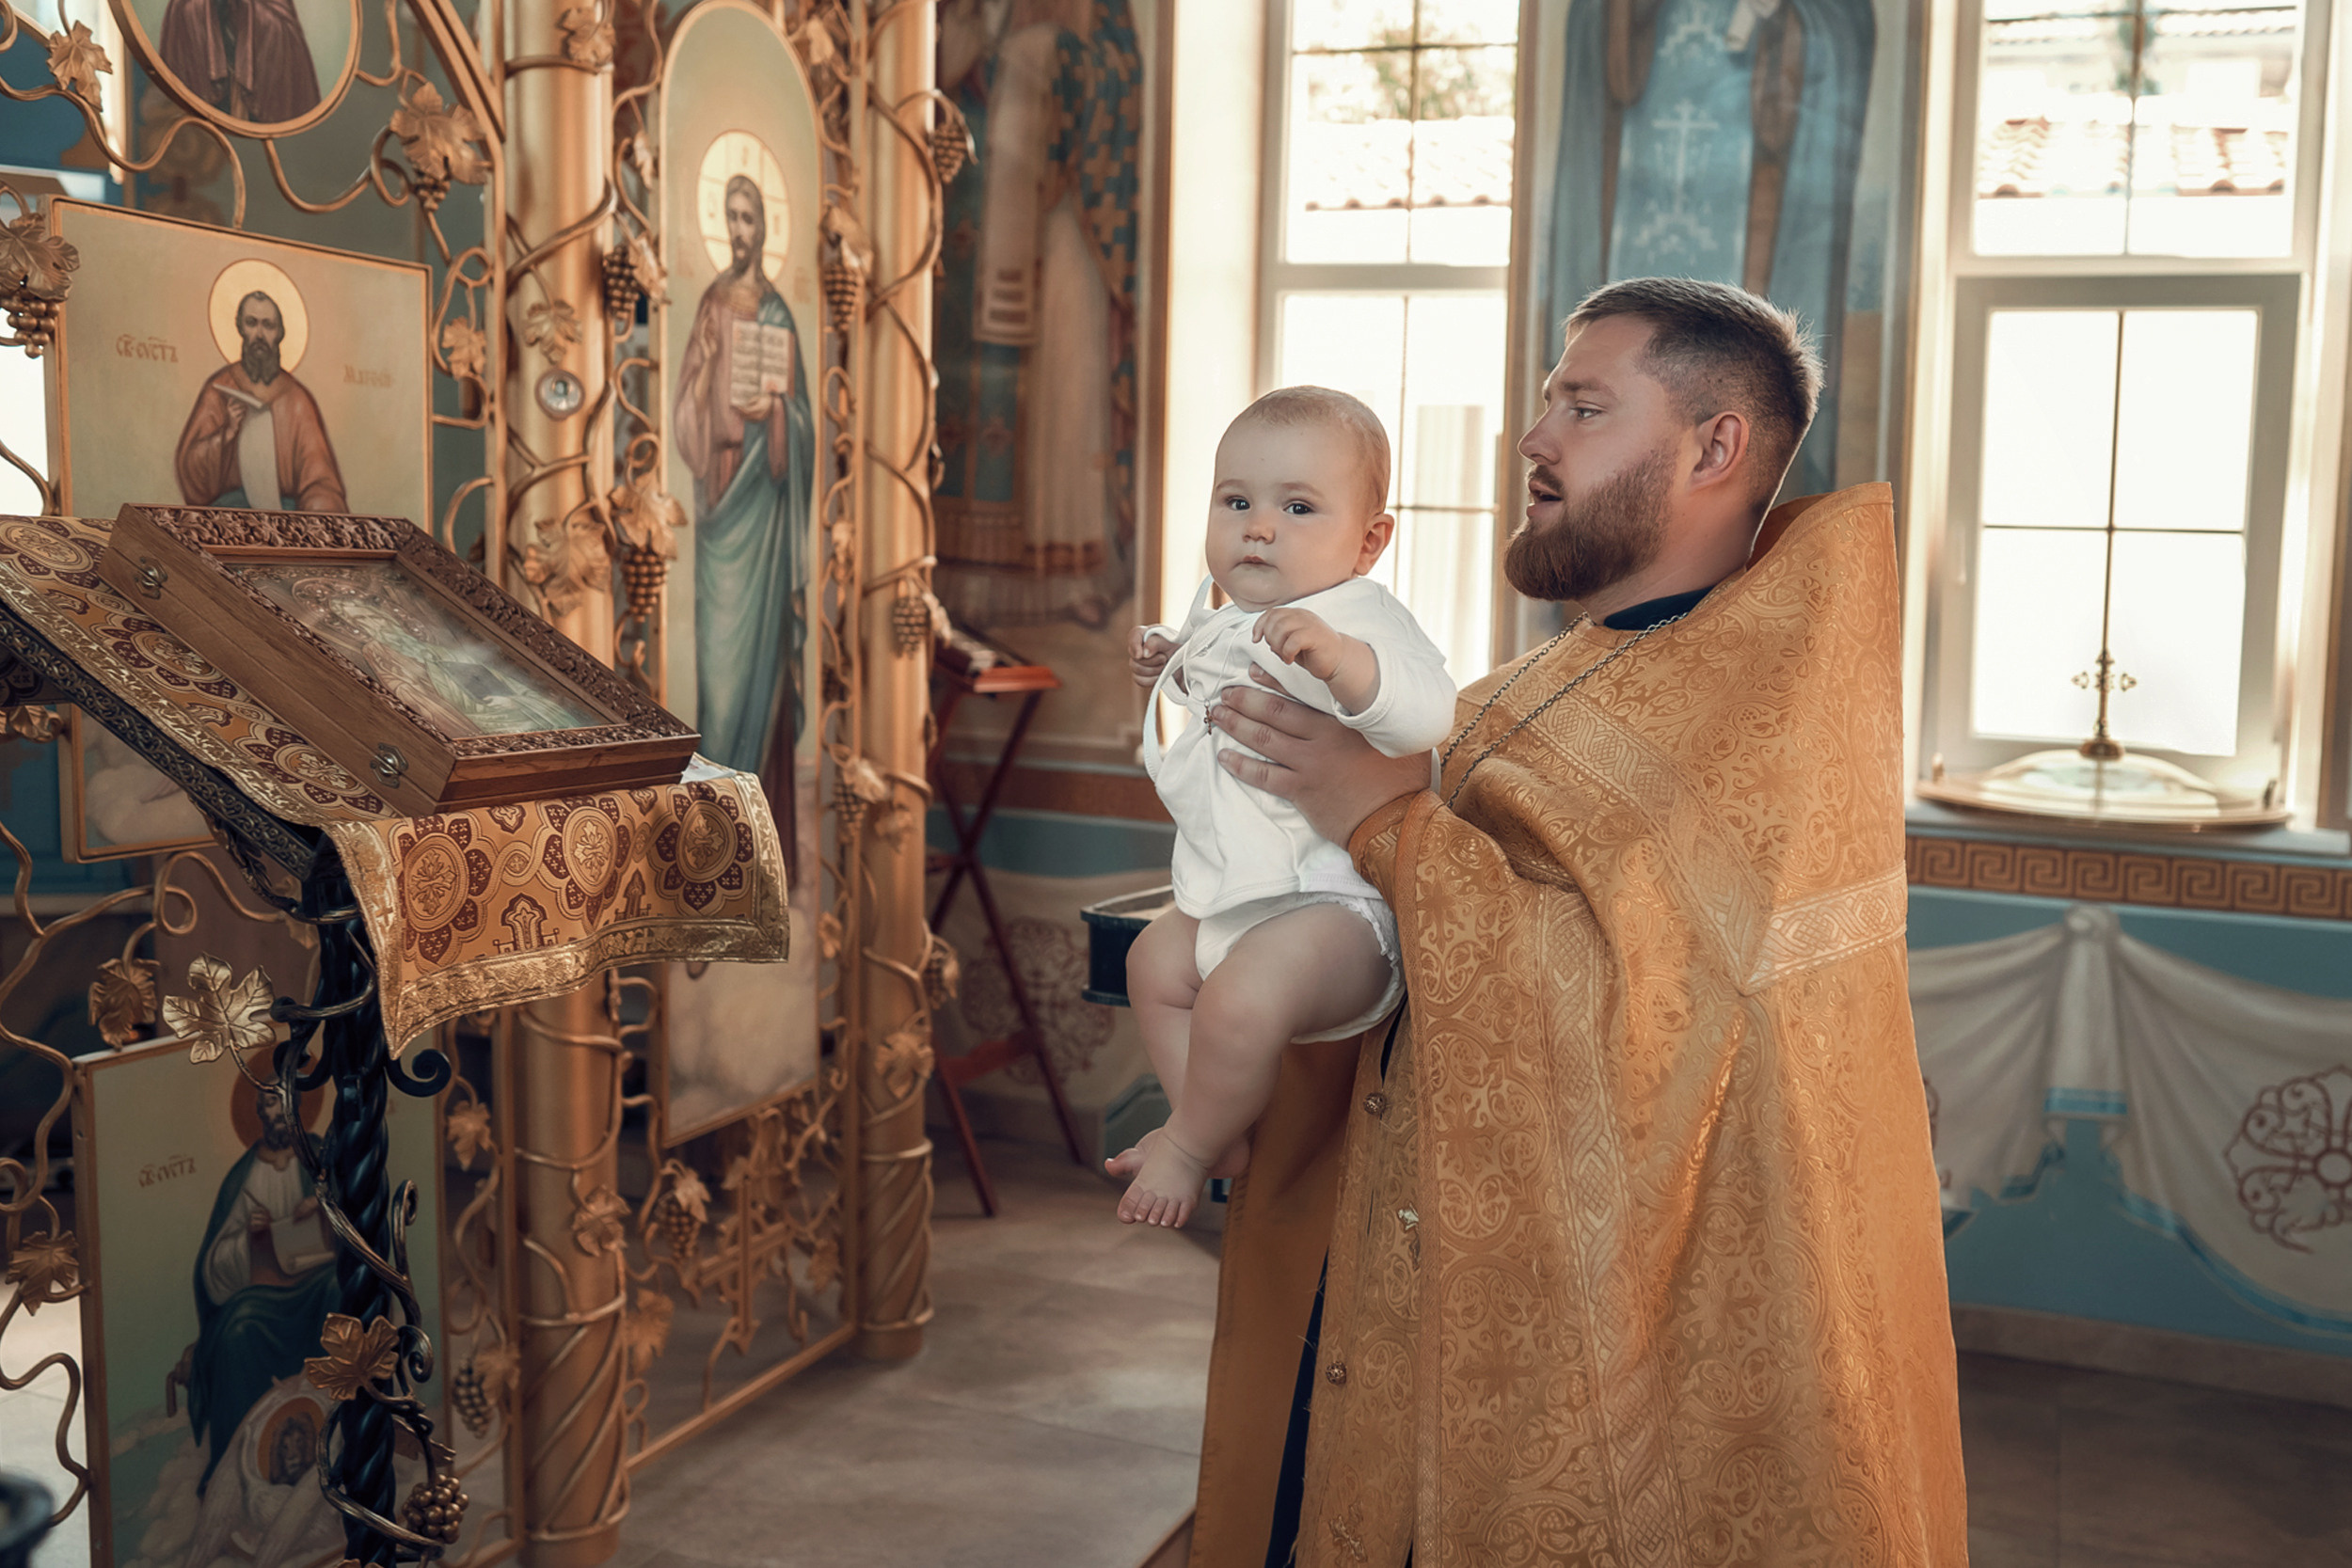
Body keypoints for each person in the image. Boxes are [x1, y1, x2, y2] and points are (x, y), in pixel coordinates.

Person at [1190, 278, 1966, 1564]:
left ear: (1714, 447)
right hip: (1400, 1263)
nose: (1534, 437)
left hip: (1620, 1350)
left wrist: (1376, 815)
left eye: (1585, 407)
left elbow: (1651, 1010)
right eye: (1549, 402)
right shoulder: (1544, 676)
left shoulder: (1762, 717)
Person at [1105, 388, 1454, 1228]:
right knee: (1151, 964)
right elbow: (1216, 689)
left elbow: (1425, 714)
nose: (1259, 528)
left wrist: (1347, 666)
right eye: (1237, 502)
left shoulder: (1362, 619)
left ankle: (1188, 1146)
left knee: (1240, 999)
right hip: (1240, 893)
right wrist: (1168, 663)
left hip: (1338, 906)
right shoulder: (1232, 618)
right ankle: (1213, 1126)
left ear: (1369, 542)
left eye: (1297, 507)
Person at [673, 171, 814, 847]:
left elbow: (805, 418)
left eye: (748, 218)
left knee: (759, 670)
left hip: (766, 503)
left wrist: (778, 412)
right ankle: (710, 838)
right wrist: (703, 368)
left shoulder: (780, 312)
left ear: (763, 228)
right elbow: (684, 415)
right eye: (729, 217)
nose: (738, 230)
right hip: (719, 502)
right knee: (718, 681)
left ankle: (759, 843)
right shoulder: (708, 304)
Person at [186, 1085, 339, 1497]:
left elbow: (361, 1208)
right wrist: (247, 1240)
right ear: (258, 1114)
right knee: (236, 1329)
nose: (278, 1110)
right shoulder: (243, 1176)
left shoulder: (321, 1153)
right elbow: (213, 1266)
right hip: (267, 1295)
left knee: (341, 1292)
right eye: (269, 1103)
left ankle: (347, 1439)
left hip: (320, 1279)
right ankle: (232, 1470)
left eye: (284, 1100)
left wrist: (322, 1202)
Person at [174, 290, 348, 515]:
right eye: (251, 323)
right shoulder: (218, 389)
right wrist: (226, 434)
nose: (259, 334)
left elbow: (321, 481)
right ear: (240, 328)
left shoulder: (298, 400)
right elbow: (191, 474)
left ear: (279, 333)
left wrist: (315, 517)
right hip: (227, 516)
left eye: (268, 325)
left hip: (287, 520)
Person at [158, 0, 325, 125]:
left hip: (257, 106)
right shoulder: (184, 6)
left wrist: (248, 10)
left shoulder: (276, 6)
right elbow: (183, 15)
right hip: (207, 109)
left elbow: (283, 32)